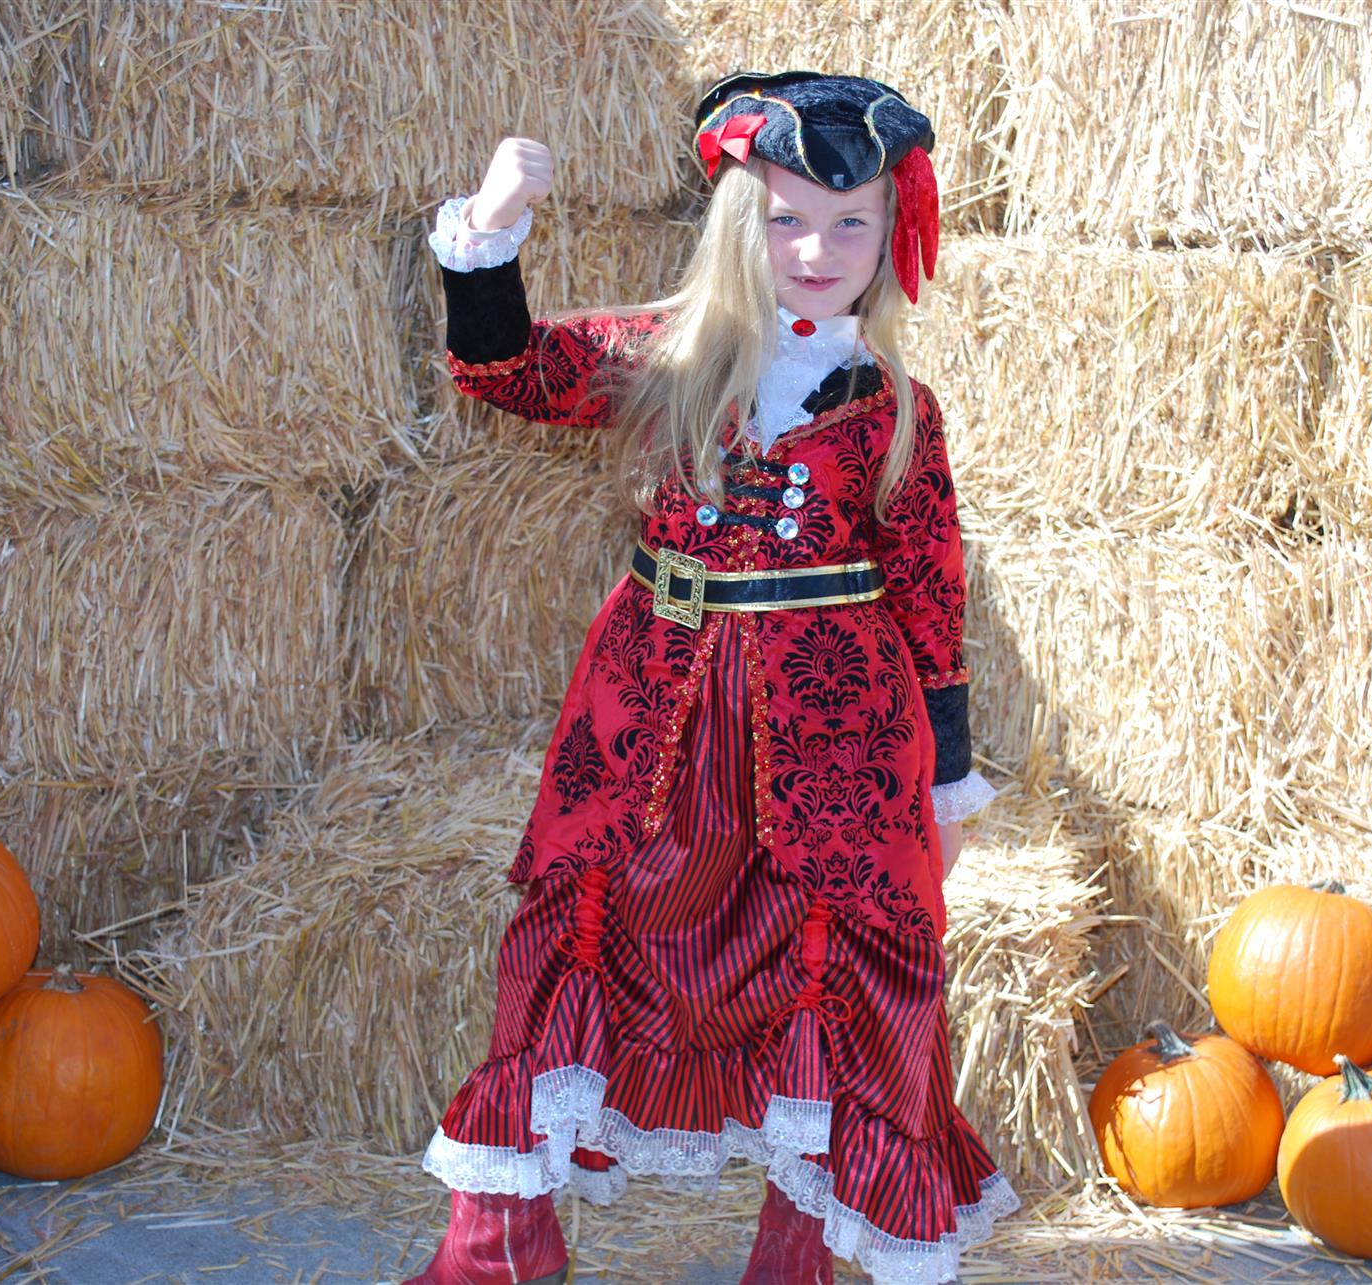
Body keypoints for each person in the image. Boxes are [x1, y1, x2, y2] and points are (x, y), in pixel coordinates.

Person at [406, 71, 1016, 1285]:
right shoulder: (671, 355)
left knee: (844, 970)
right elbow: (508, 372)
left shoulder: (899, 411)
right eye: (787, 217)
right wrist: (491, 233)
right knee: (571, 925)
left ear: (893, 237)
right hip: (654, 709)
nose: (817, 248)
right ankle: (499, 1250)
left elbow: (932, 600)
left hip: (838, 733)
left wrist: (944, 789)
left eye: (851, 223)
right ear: (744, 223)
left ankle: (799, 1260)